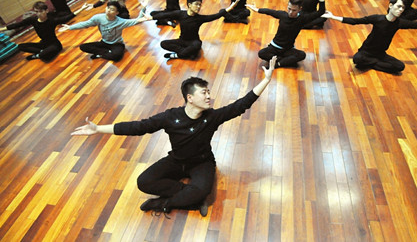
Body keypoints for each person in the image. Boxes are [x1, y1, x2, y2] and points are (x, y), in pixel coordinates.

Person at [70, 56, 277, 217]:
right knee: (144, 181)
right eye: (204, 93)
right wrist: (98, 129)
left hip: (202, 163)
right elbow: (138, 127)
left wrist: (266, 81)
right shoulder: (171, 117)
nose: (209, 96)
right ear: (190, 98)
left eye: (208, 92)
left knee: (200, 190)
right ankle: (191, 197)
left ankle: (163, 203)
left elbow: (241, 105)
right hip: (176, 161)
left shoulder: (212, 117)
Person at [323, 0, 417, 74]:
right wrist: (333, 17)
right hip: (366, 52)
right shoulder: (378, 18)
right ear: (390, 5)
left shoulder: (400, 23)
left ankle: (371, 64)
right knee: (357, 59)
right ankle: (371, 63)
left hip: (380, 54)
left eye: (402, 8)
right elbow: (355, 21)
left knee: (400, 67)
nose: (400, 10)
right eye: (398, 6)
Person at [246, 0, 325, 67]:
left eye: (294, 10)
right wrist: (257, 10)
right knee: (261, 53)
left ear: (300, 9)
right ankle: (285, 61)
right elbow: (270, 11)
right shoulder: (283, 15)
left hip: (288, 49)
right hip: (275, 47)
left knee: (302, 55)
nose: (290, 12)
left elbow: (321, 11)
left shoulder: (303, 18)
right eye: (289, 8)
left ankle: (278, 63)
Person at [152, 0, 239, 60]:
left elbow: (216, 16)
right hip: (182, 41)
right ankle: (187, 53)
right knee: (163, 43)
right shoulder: (180, 14)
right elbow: (165, 14)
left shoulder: (199, 18)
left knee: (197, 45)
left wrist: (229, 8)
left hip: (193, 42)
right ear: (189, 5)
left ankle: (177, 55)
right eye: (196, 4)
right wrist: (151, 18)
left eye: (200, 5)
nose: (199, 7)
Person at [59, 1, 151, 61]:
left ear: (117, 13)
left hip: (117, 44)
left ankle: (101, 53)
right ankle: (104, 53)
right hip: (104, 42)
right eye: (108, 8)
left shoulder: (120, 21)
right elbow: (86, 24)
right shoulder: (98, 18)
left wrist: (144, 8)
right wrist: (70, 27)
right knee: (83, 47)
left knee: (117, 57)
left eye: (112, 10)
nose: (108, 10)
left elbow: (136, 21)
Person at [0, 1, 88, 61]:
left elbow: (68, 17)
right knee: (20, 46)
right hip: (43, 44)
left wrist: (82, 8)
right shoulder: (33, 19)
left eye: (40, 11)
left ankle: (38, 55)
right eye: (36, 12)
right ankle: (42, 53)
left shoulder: (52, 20)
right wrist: (1, 29)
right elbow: (17, 25)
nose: (38, 14)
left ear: (46, 10)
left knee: (45, 56)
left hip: (54, 44)